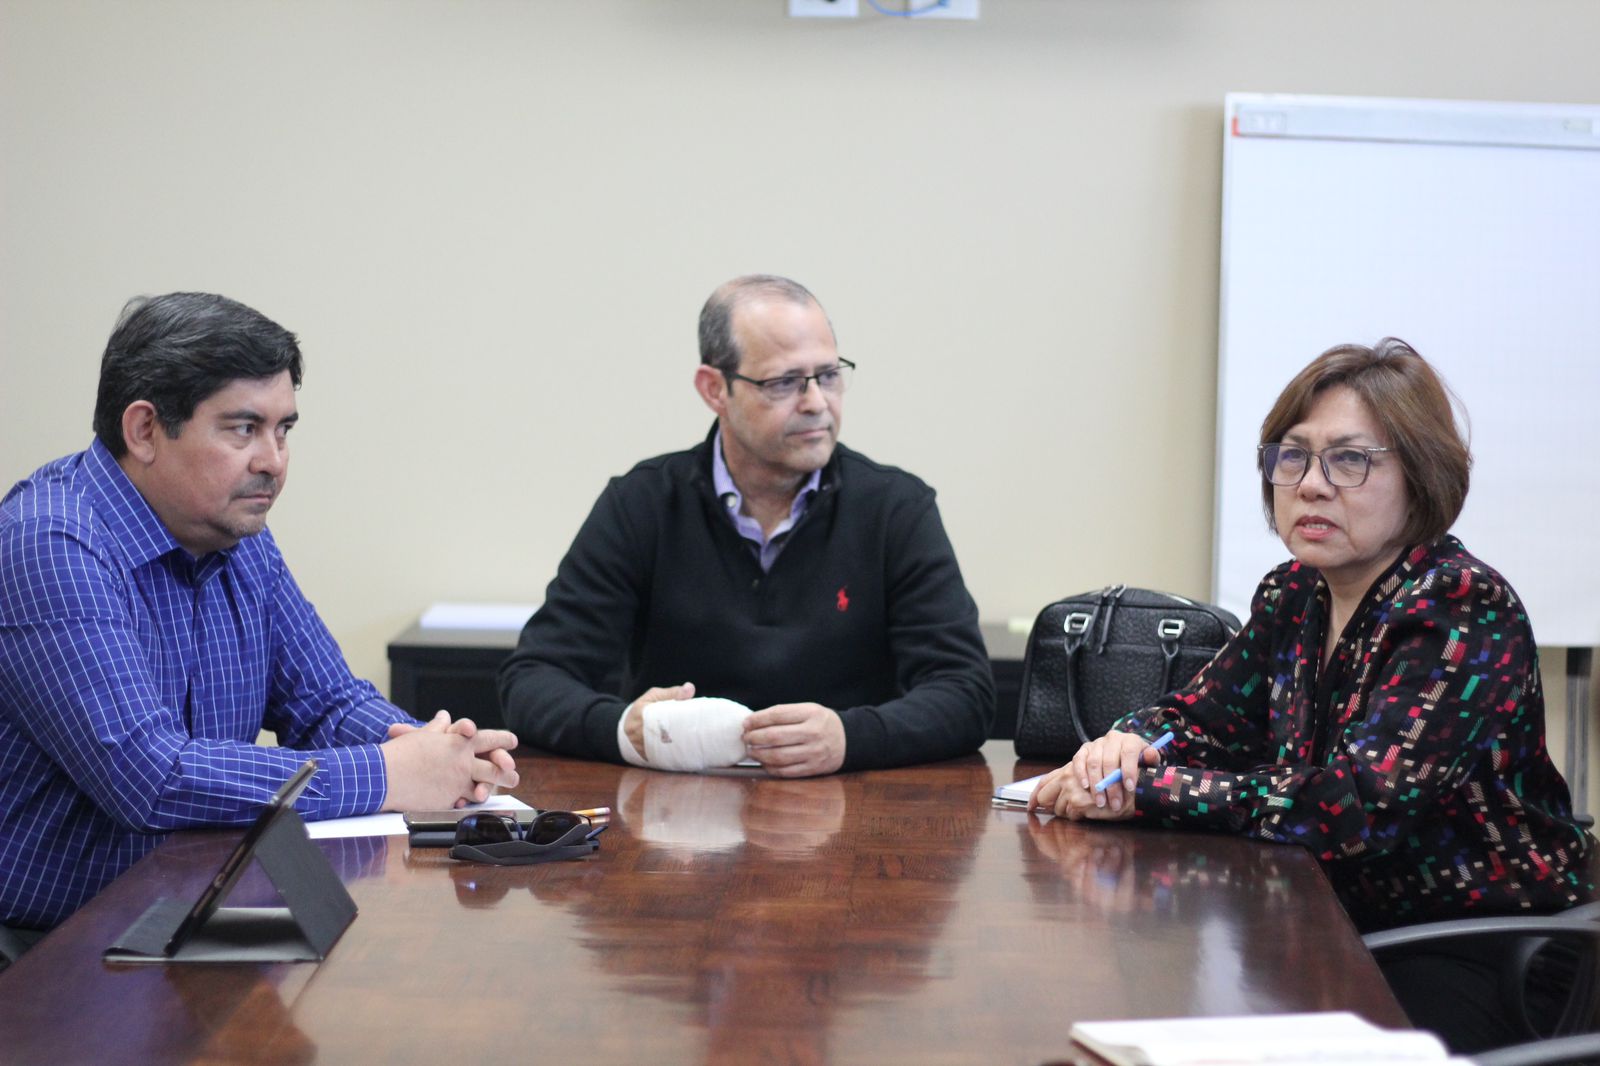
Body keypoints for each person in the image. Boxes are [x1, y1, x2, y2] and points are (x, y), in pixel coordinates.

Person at [1028, 338, 1595, 1052]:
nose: (1311, 485)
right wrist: (1128, 744)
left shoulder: (1460, 607)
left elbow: (1355, 806)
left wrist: (1151, 790)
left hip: (1479, 947)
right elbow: (1201, 718)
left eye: (1350, 460)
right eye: (1292, 456)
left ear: (1421, 476)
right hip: (1330, 915)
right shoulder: (1295, 592)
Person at [0, 293, 519, 940]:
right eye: (243, 428)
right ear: (144, 431)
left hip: (197, 919)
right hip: (48, 945)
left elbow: (325, 705)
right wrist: (391, 773)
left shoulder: (238, 536)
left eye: (283, 430)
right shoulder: (50, 542)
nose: (273, 460)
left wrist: (441, 753)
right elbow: (148, 775)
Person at [499, 274, 993, 777]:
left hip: (848, 803)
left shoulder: (895, 509)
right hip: (675, 809)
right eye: (784, 382)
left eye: (828, 375)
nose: (816, 402)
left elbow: (965, 693)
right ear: (715, 389)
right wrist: (626, 730)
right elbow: (533, 680)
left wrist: (850, 737)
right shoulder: (643, 504)